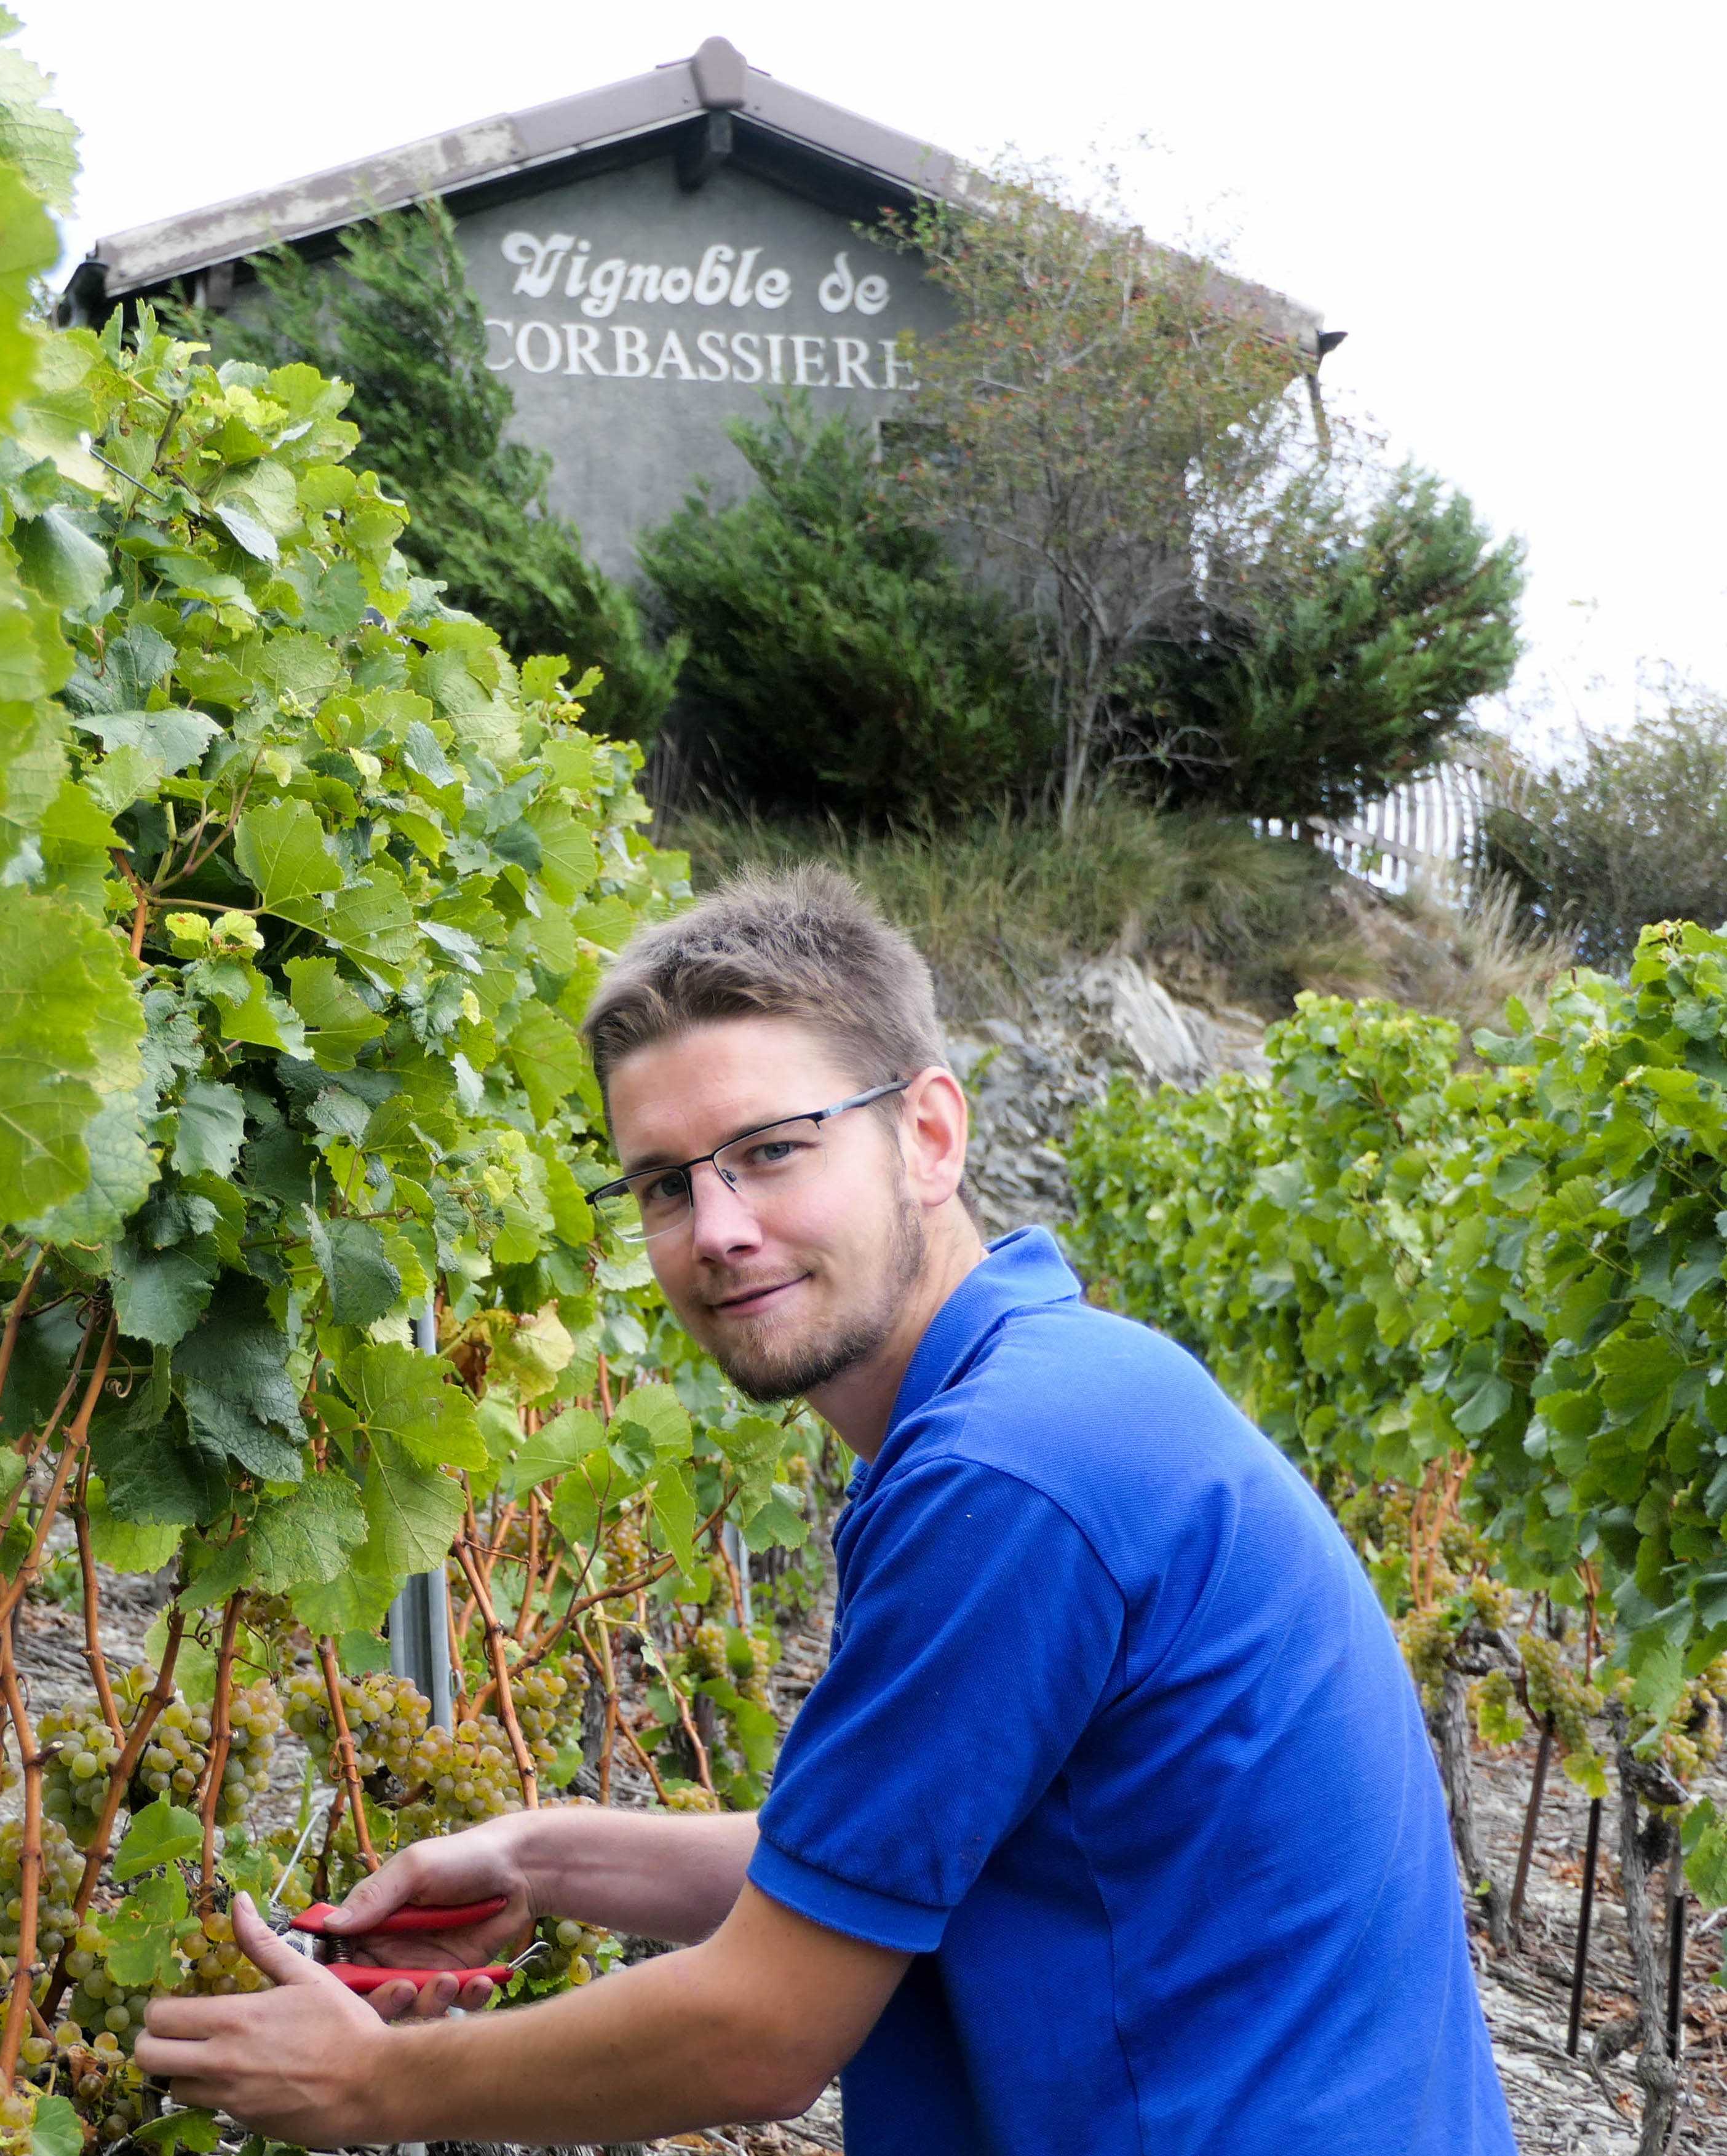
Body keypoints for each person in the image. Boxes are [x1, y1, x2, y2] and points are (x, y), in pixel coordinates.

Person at [136, 866, 1518, 2154]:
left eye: (772, 1150)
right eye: (667, 1184)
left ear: (927, 1132)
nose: (718, 1227)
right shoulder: (1047, 1393)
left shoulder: (1009, 1474)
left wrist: (371, 2083)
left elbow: (759, 2035)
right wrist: (541, 1851)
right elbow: (890, 1854)